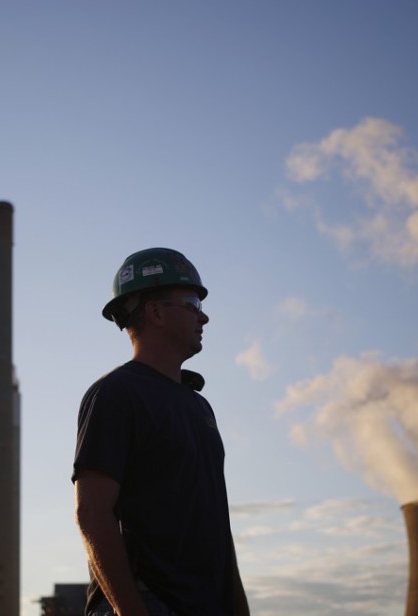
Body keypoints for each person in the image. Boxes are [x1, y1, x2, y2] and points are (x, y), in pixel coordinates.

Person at [72, 247, 251, 616]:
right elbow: (92, 511)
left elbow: (216, 524)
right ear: (154, 312)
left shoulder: (199, 406)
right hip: (151, 603)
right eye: (190, 303)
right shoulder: (117, 394)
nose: (204, 317)